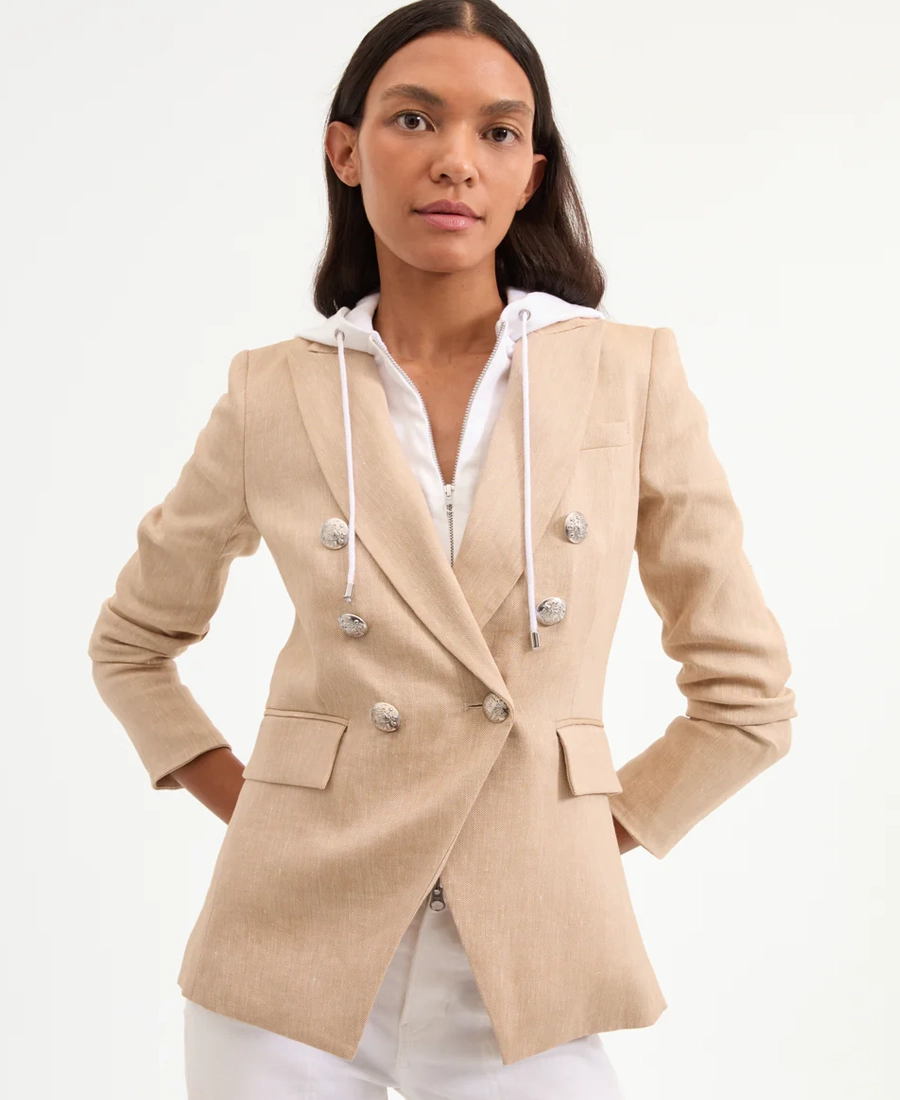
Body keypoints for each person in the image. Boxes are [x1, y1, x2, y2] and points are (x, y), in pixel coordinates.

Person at [87, 2, 797, 1097]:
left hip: (532, 955)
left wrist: (572, 835)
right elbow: (132, 643)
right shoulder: (274, 389)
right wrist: (267, 806)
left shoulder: (629, 375)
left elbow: (748, 697)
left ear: (530, 173)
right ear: (345, 149)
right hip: (287, 951)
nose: (456, 160)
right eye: (414, 119)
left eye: (498, 131)